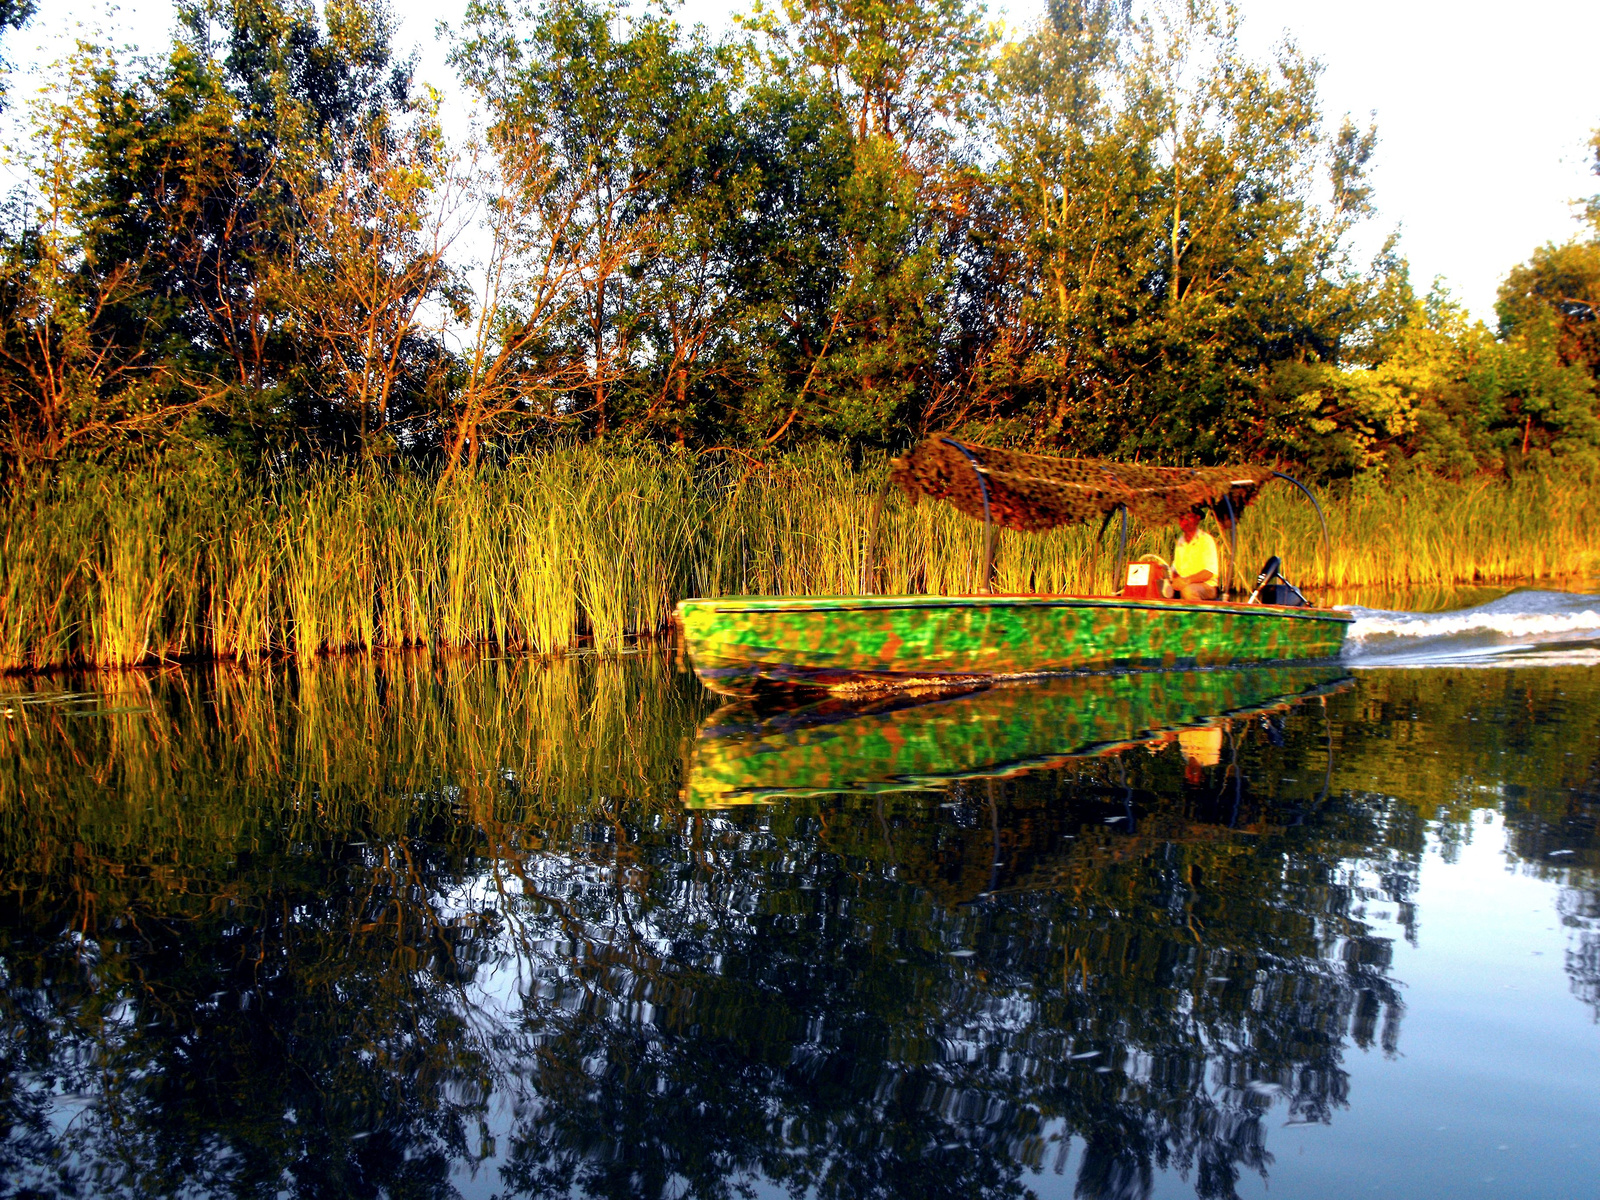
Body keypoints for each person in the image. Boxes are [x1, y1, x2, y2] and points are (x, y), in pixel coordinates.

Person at [1162, 508, 1219, 601]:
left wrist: (1186, 581)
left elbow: (1209, 572)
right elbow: (1175, 569)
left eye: (1188, 517)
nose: (1184, 521)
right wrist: (1174, 580)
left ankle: (1198, 615)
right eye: (1181, 518)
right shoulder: (1181, 541)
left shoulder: (1206, 540)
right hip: (1185, 583)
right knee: (1161, 589)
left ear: (1197, 519)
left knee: (1188, 590)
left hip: (1207, 586)